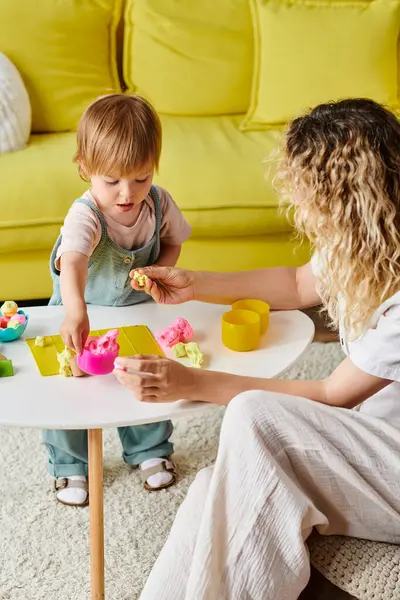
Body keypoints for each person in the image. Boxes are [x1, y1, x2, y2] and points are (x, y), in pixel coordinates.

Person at [114, 99, 400, 599]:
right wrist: (192, 282)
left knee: (257, 416)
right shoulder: (360, 243)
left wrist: (194, 384)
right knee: (213, 489)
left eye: (308, 195)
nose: (301, 209)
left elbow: (334, 395)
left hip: (390, 455)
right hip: (371, 435)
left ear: (346, 198)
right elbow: (294, 284)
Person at [44, 93, 191, 506]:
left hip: (134, 311)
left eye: (141, 178)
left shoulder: (158, 203)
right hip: (80, 316)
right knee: (69, 390)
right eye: (111, 181)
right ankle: (70, 466)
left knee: (144, 378)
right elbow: (73, 262)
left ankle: (149, 452)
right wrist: (76, 310)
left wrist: (160, 270)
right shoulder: (86, 214)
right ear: (85, 169)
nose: (127, 193)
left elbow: (174, 241)